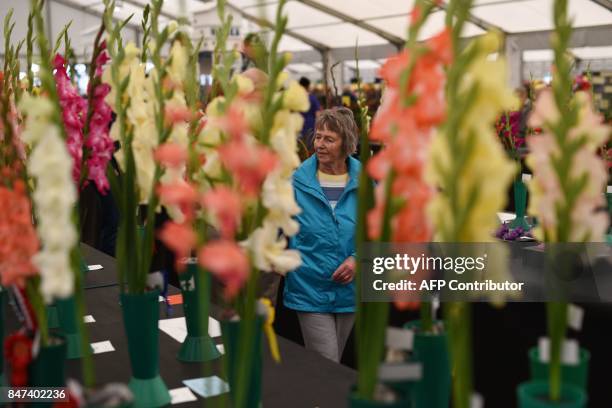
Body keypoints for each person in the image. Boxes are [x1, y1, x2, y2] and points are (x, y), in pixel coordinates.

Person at [284, 107, 360, 363]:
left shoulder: (365, 182)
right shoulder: (296, 182)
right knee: (327, 361)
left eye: (329, 139)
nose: (320, 144)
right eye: (318, 137)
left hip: (350, 290)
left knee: (332, 365)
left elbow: (375, 231)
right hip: (309, 288)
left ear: (346, 142)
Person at [299, 76, 321, 150]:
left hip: (299, 125)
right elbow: (318, 114)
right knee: (310, 148)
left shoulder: (296, 98)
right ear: (307, 86)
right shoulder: (312, 98)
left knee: (301, 148)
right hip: (310, 126)